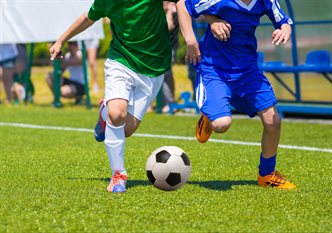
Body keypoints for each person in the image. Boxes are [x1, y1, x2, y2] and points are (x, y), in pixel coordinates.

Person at [49, 0, 178, 193]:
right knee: (117, 115)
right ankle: (119, 175)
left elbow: (184, 4)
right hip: (121, 61)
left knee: (126, 129)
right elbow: (88, 17)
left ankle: (104, 113)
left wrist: (194, 38)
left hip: (154, 67)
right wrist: (61, 41)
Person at [176, 0, 296, 189]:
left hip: (248, 71)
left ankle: (267, 175)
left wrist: (284, 30)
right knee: (222, 124)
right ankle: (209, 115)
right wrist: (191, 41)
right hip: (215, 70)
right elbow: (183, 4)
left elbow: (284, 21)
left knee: (273, 120)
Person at [161, 1, 179, 113]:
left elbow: (169, 26)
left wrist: (169, 11)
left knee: (166, 75)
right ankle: (165, 102)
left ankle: (169, 102)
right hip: (157, 48)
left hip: (170, 47)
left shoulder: (173, 11)